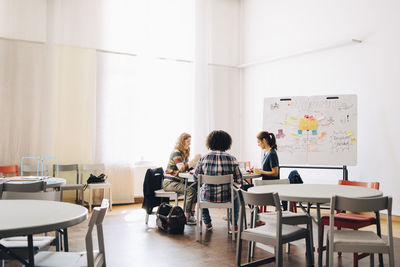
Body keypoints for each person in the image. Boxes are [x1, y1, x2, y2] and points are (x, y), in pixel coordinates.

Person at [193, 130, 242, 232]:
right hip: (226, 196)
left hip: (207, 196)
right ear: (227, 143)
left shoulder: (203, 158)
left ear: (210, 142)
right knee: (236, 195)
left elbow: (196, 177)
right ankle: (234, 224)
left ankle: (207, 223)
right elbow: (239, 180)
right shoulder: (232, 159)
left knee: (200, 193)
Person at [163, 133, 201, 225]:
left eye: (190, 142)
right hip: (170, 182)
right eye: (188, 141)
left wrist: (195, 163)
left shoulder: (182, 154)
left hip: (176, 181)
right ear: (182, 142)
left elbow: (186, 169)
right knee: (190, 191)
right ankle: (186, 217)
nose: (189, 144)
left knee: (195, 187)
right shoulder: (176, 152)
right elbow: (181, 169)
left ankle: (191, 213)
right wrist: (193, 161)